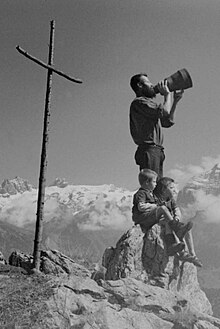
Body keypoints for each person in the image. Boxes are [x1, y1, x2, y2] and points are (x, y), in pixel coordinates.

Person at [129, 73, 184, 179]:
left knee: (157, 186)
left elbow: (167, 122)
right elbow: (164, 111)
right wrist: (167, 95)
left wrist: (175, 100)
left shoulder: (149, 103)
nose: (152, 85)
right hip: (149, 150)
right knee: (152, 185)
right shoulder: (139, 102)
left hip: (156, 150)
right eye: (148, 82)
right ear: (140, 85)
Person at [132, 169, 192, 256]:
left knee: (167, 221)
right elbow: (141, 207)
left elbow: (175, 208)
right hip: (142, 218)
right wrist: (156, 207)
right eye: (154, 182)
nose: (156, 184)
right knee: (163, 208)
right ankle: (176, 227)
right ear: (147, 183)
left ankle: (171, 244)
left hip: (148, 216)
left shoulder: (151, 194)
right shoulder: (141, 193)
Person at [153, 176, 203, 267]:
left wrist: (176, 218)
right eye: (171, 188)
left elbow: (177, 210)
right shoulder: (157, 200)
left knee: (187, 229)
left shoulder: (170, 200)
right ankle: (181, 251)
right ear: (164, 190)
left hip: (172, 221)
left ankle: (193, 254)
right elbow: (157, 213)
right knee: (171, 226)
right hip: (163, 222)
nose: (174, 190)